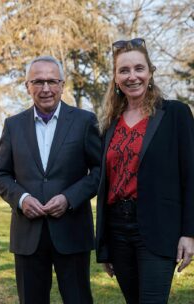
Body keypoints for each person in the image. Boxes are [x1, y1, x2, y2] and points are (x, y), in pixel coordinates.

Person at [0, 55, 100, 304]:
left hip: (72, 231)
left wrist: (69, 198)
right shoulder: (13, 125)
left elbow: (99, 171)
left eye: (52, 81)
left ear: (63, 85)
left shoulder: (85, 122)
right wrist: (22, 199)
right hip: (28, 236)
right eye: (38, 82)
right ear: (27, 86)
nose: (46, 88)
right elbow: (0, 174)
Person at [96, 38, 194, 303]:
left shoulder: (175, 114)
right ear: (116, 78)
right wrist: (103, 245)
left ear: (150, 72)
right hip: (118, 230)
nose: (132, 76)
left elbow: (191, 176)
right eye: (124, 70)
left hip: (159, 227)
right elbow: (105, 183)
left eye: (138, 68)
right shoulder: (108, 124)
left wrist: (189, 233)